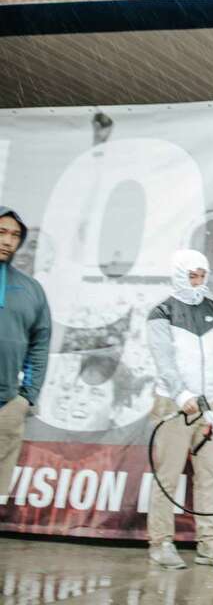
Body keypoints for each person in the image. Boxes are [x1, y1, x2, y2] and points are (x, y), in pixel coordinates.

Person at [145, 249, 213, 570]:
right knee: (167, 475)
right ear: (179, 275)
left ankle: (209, 543)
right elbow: (163, 360)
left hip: (212, 405)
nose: (199, 282)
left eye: (203, 275)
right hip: (175, 406)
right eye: (193, 276)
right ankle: (161, 542)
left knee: (210, 476)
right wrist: (181, 394)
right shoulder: (162, 313)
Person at [0, 207, 50, 504]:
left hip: (7, 407)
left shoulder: (31, 290)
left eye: (15, 235)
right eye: (2, 232)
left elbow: (40, 344)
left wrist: (26, 397)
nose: (8, 241)